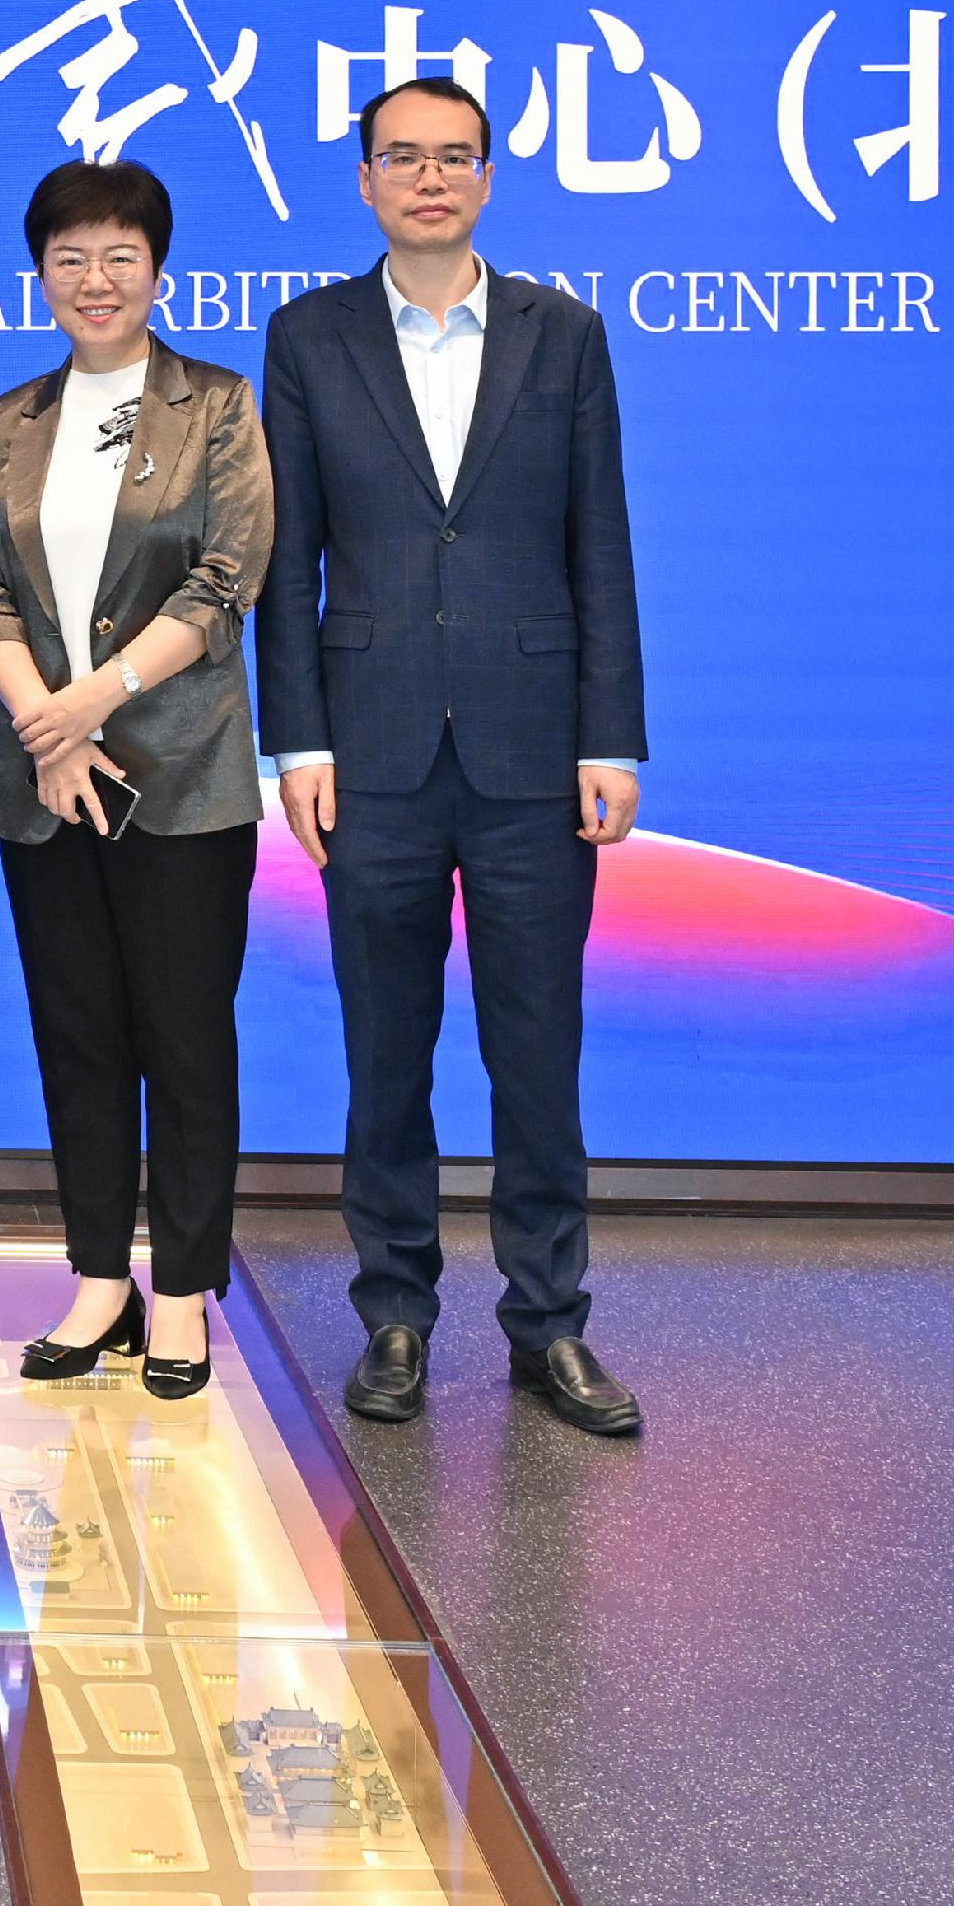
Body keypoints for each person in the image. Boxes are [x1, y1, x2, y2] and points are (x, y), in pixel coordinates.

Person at [260, 76, 648, 1440]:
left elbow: (598, 546)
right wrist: (295, 737)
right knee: (389, 1047)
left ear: (488, 175)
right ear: (364, 179)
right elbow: (286, 556)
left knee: (539, 1048)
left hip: (539, 750)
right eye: (402, 158)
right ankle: (397, 1314)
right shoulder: (308, 335)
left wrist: (613, 733)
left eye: (456, 156)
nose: (430, 177)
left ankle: (549, 1323)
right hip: (367, 749)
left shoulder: (566, 334)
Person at [0, 159, 273, 1403]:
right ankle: (101, 1280)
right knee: (77, 1033)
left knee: (184, 1037)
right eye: (70, 258)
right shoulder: (9, 419)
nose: (95, 280)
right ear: (40, 275)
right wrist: (47, 723)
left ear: (157, 269)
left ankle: (183, 1289)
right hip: (45, 779)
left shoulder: (219, 406)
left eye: (119, 257)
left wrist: (97, 700)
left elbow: (224, 580)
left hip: (183, 775)